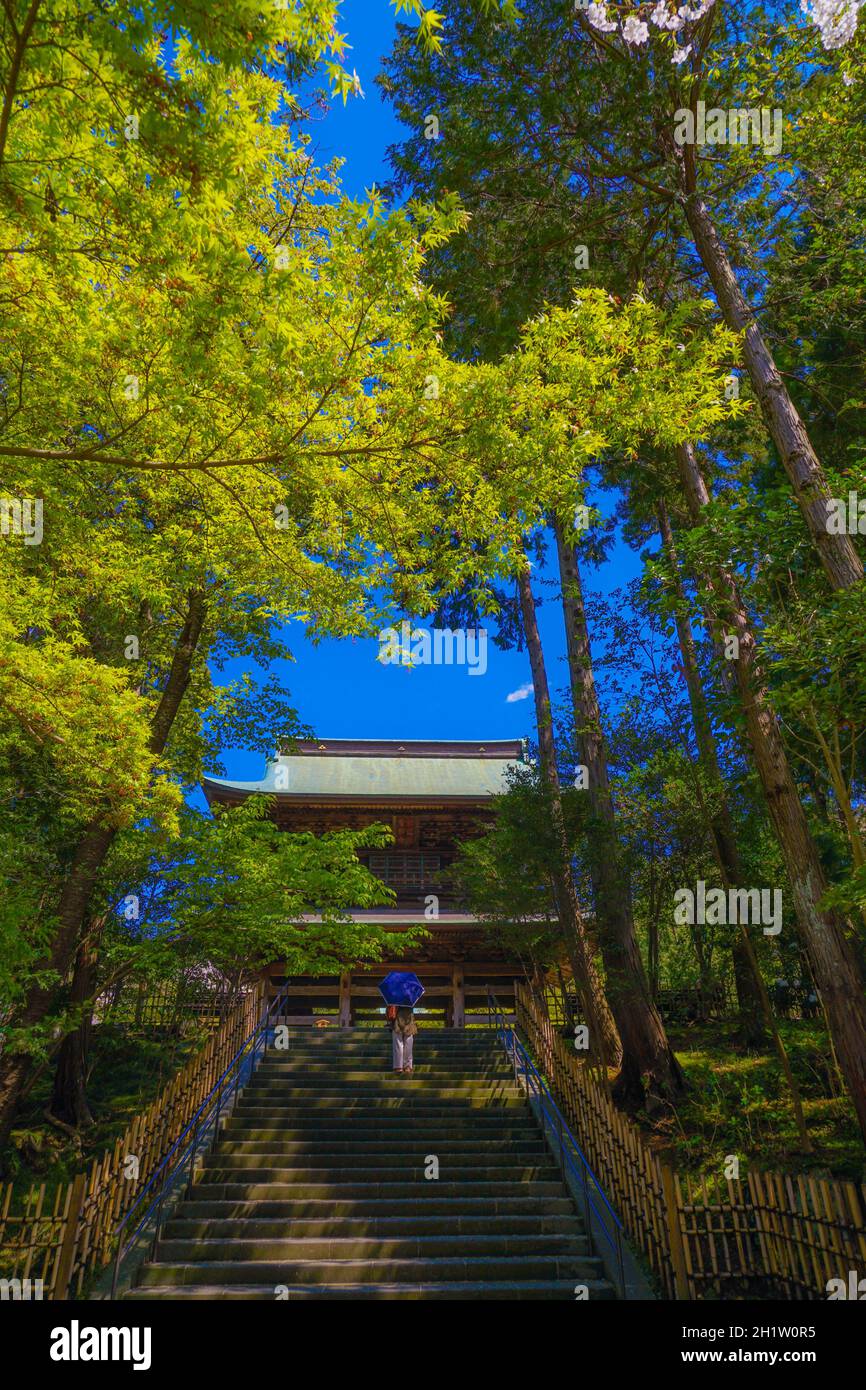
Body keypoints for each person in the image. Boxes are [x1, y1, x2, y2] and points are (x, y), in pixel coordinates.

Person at [390, 1005, 418, 1074]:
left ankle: (398, 1066)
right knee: (408, 1043)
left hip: (398, 1016)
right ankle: (407, 1066)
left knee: (398, 1044)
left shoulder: (395, 995)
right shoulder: (411, 995)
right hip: (408, 1016)